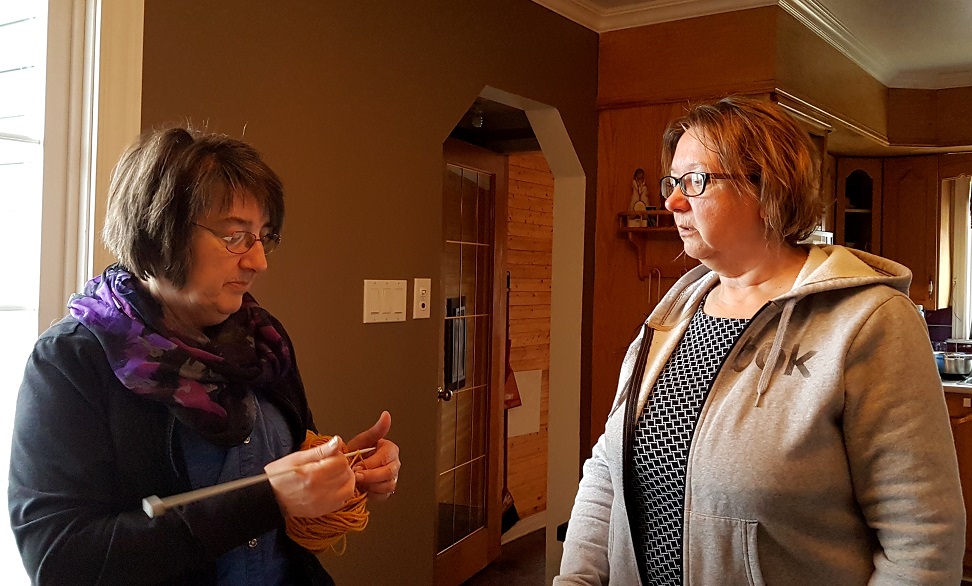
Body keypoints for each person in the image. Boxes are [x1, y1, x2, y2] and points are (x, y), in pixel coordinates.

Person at [557, 96, 965, 585]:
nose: (672, 202)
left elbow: (921, 537)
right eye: (672, 182)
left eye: (695, 181)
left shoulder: (869, 321)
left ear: (766, 187)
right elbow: (607, 468)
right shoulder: (672, 315)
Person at [8, 127, 401, 585]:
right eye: (237, 236)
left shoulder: (263, 342)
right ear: (158, 232)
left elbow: (290, 482)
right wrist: (266, 501)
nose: (259, 261)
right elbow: (60, 562)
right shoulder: (70, 362)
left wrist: (342, 470)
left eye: (263, 237)